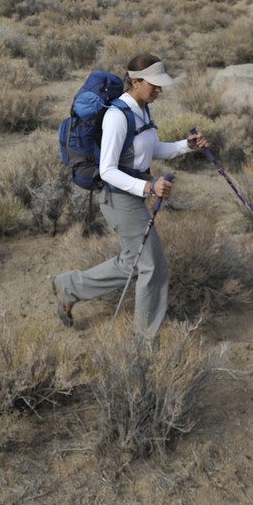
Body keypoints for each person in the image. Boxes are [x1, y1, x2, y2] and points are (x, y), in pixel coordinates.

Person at [51, 54, 208, 337]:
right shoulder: (116, 116)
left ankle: (69, 286)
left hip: (131, 194)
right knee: (153, 268)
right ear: (135, 81)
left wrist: (187, 146)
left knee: (133, 263)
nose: (159, 90)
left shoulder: (142, 109)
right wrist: (148, 187)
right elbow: (108, 170)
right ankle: (144, 341)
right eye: (154, 84)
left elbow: (152, 149)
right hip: (119, 198)